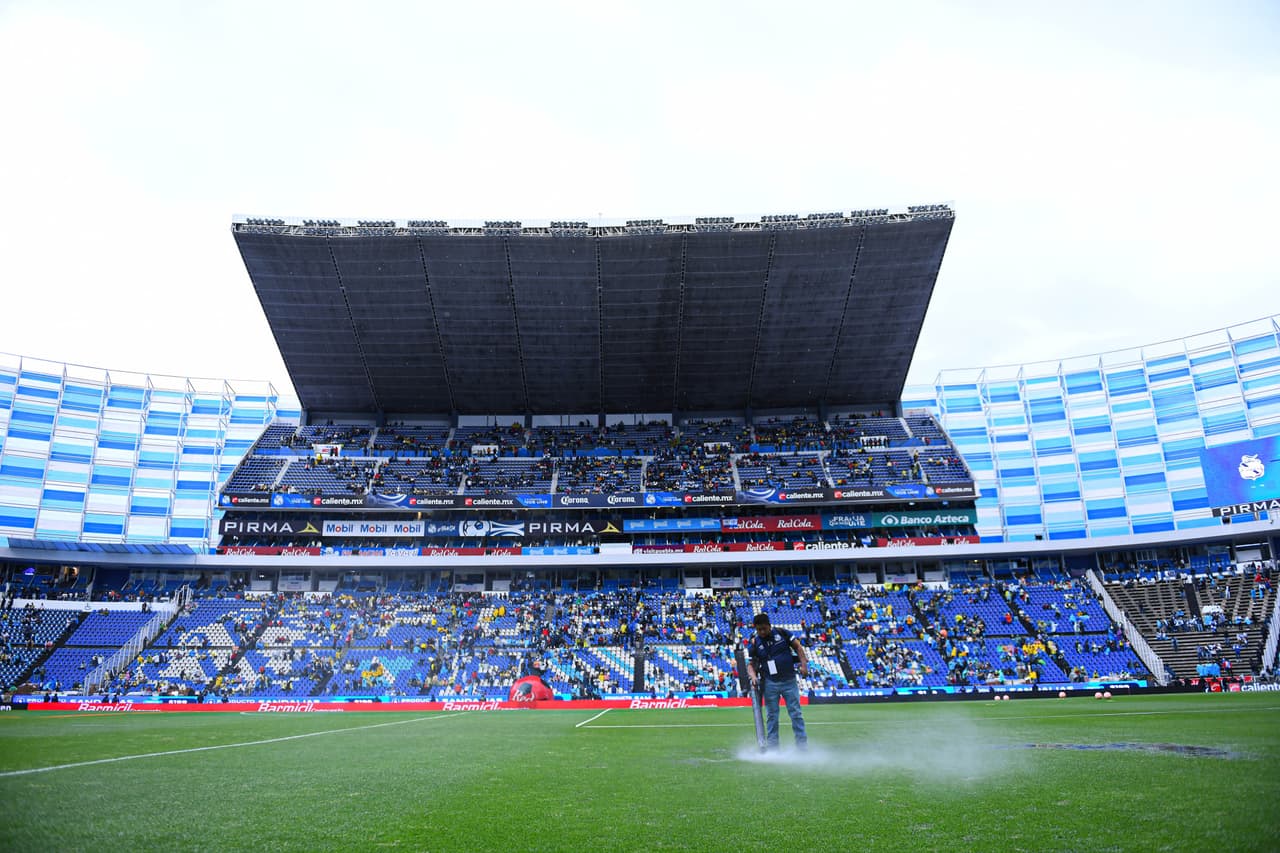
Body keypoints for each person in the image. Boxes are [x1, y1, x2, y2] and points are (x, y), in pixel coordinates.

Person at [747, 612, 808, 750]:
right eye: (758, 629)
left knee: (796, 714)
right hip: (770, 684)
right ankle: (773, 749)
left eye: (764, 628)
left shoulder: (782, 633)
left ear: (769, 626)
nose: (761, 632)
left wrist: (804, 665)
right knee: (772, 717)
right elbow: (751, 664)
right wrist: (753, 676)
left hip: (789, 681)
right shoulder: (755, 643)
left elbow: (798, 647)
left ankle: (802, 746)